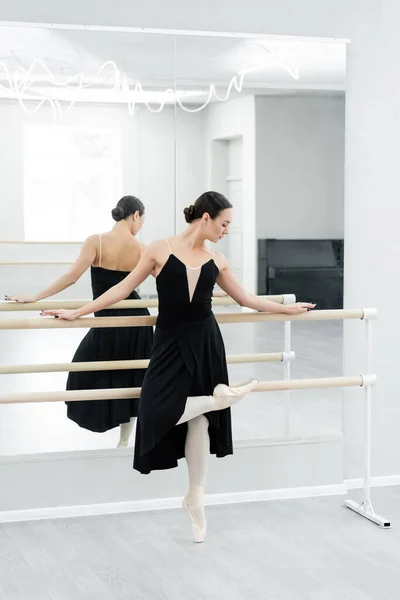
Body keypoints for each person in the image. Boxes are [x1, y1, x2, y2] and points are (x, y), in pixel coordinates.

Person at [40, 191, 315, 541]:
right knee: (155, 411)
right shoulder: (159, 249)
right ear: (206, 218)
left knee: (198, 423)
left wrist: (287, 309)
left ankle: (195, 497)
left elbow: (246, 299)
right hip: (169, 342)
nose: (227, 230)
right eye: (224, 223)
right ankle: (220, 399)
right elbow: (123, 289)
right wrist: (77, 312)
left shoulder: (218, 259)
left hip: (205, 342)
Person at [6, 195, 154, 448]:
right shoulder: (141, 248)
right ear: (136, 216)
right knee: (131, 376)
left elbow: (71, 277)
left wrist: (36, 296)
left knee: (95, 371)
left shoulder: (96, 241)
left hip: (107, 318)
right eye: (143, 220)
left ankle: (121, 438)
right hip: (137, 317)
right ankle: (124, 439)